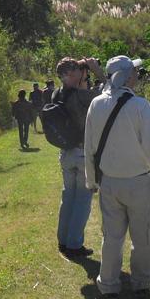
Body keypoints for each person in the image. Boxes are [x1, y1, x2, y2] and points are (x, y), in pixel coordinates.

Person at [84, 56, 150, 298]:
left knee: (111, 237)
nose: (136, 76)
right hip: (139, 182)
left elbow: (89, 145)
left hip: (109, 182)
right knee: (143, 237)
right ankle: (140, 283)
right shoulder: (140, 105)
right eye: (134, 72)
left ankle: (108, 284)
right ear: (127, 76)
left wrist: (92, 180)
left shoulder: (96, 104)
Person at [53, 57, 106, 258]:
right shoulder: (82, 95)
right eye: (77, 70)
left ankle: (63, 240)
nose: (80, 73)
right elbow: (111, 91)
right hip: (82, 153)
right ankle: (74, 245)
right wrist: (97, 70)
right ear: (69, 74)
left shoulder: (57, 93)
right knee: (82, 200)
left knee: (68, 197)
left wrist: (83, 75)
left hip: (65, 153)